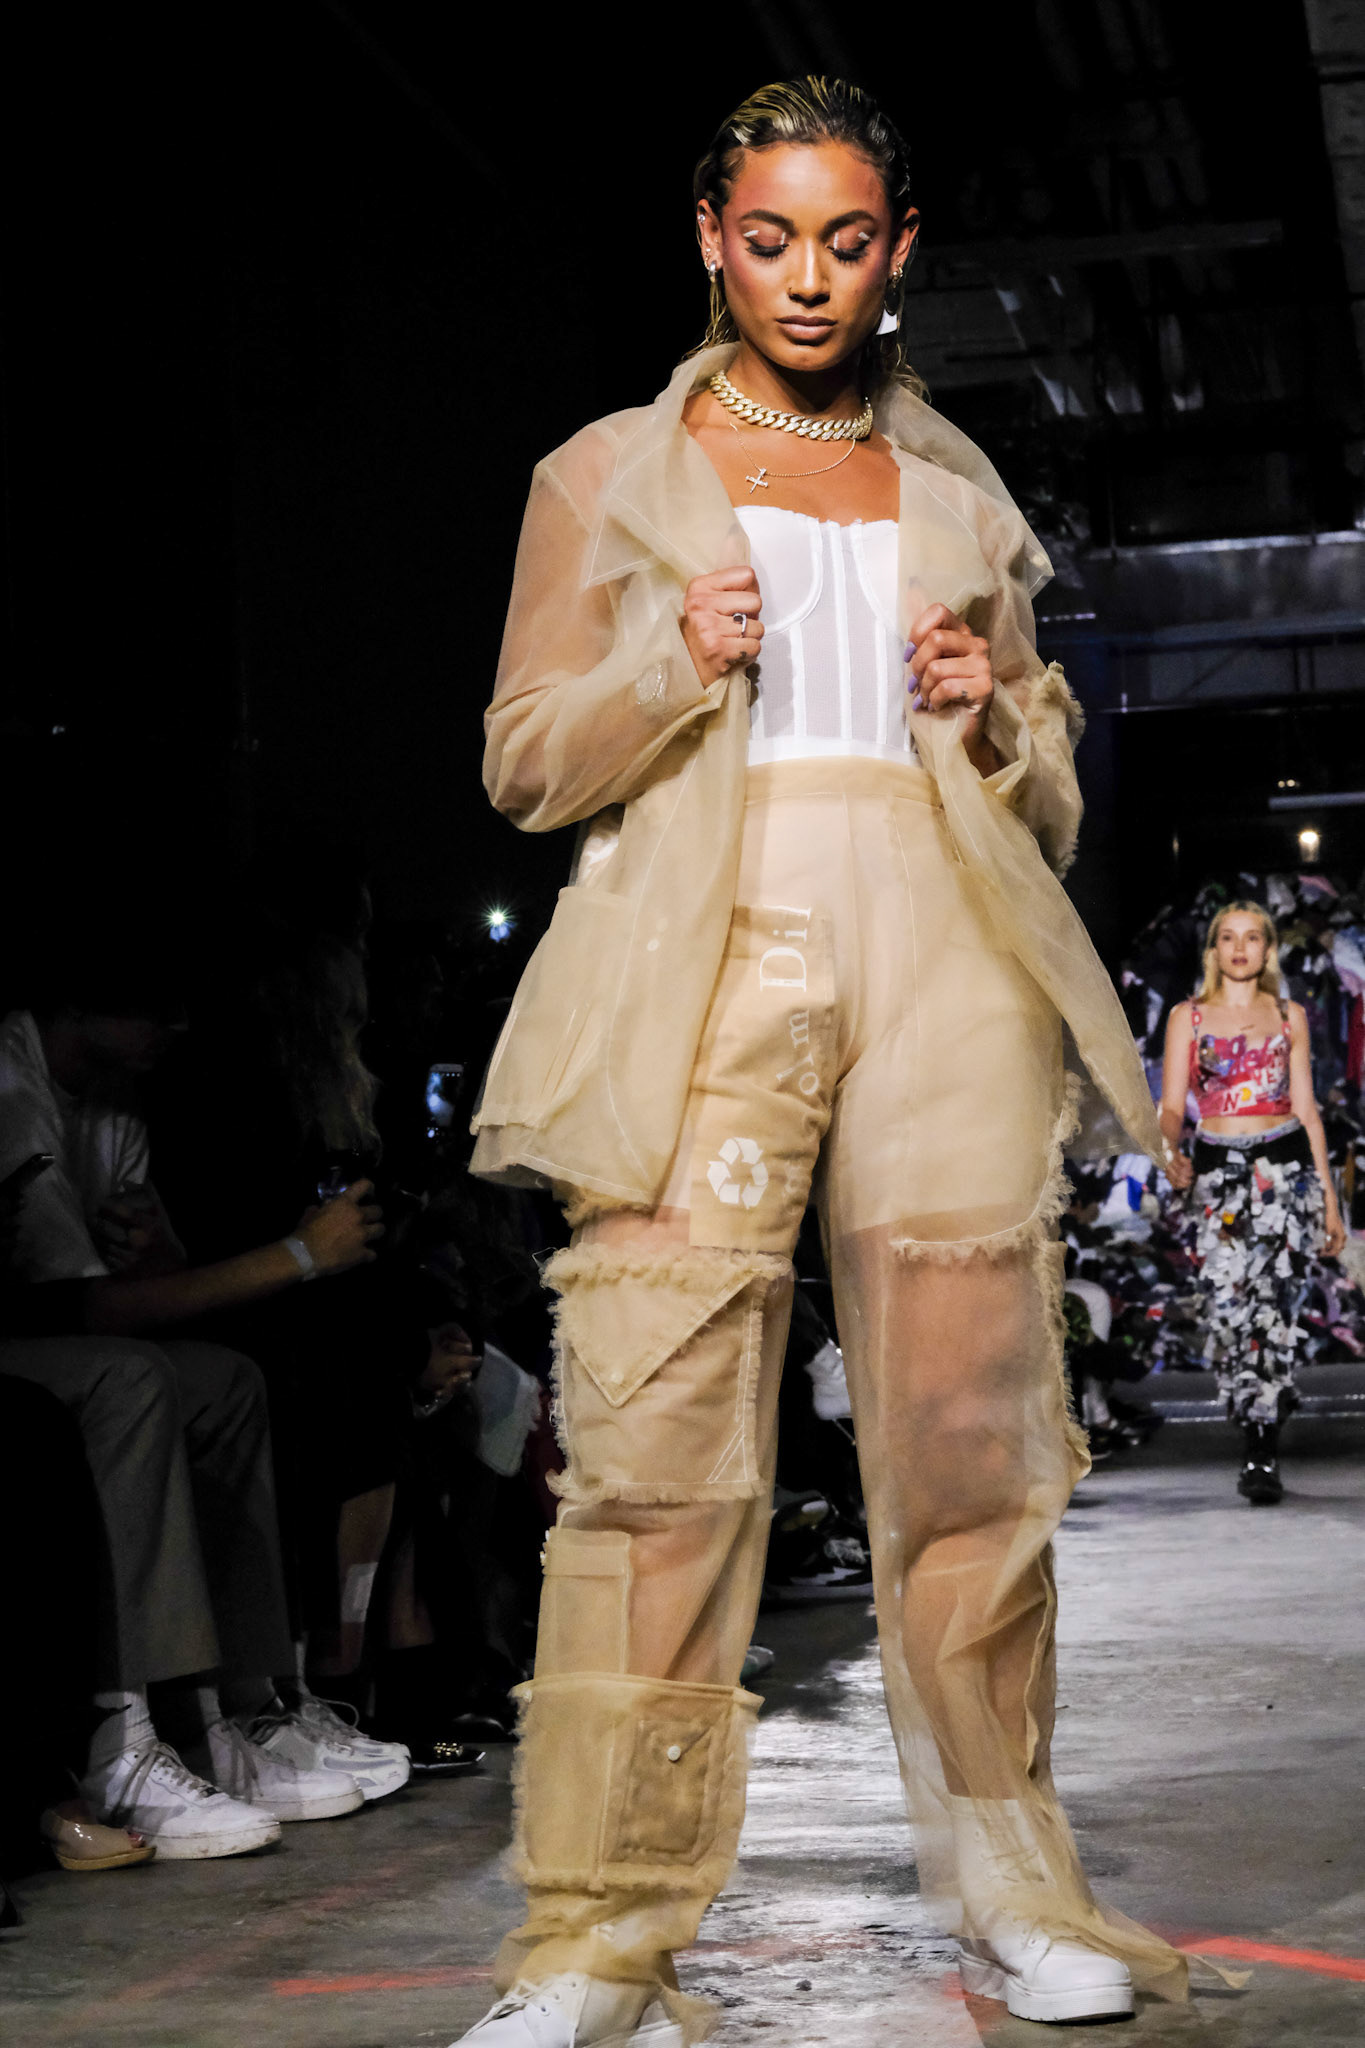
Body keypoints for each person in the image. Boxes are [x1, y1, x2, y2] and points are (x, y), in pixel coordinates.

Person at [453, 77, 1187, 2048]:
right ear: (711, 235)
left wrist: (995, 708)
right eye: (769, 237)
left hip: (938, 960)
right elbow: (522, 757)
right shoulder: (609, 470)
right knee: (654, 1448)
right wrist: (668, 659)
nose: (805, 276)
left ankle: (1011, 1887)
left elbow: (1044, 792)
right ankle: (601, 1939)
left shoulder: (957, 490)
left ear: (898, 251)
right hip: (704, 961)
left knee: (963, 1446)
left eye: (844, 241)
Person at [0, 946, 391, 1857]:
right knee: (134, 1380)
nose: (175, 1029)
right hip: (22, 1339)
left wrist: (158, 1252)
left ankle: (234, 1716)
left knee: (225, 1377)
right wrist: (299, 1256)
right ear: (76, 1004)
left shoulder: (115, 1100)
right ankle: (119, 1745)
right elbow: (80, 1312)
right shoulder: (14, 1087)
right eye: (152, 1007)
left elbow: (136, 1284)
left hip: (62, 1330)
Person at [1159, 899, 1346, 1502]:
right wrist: (1167, 1150)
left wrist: (1331, 1202)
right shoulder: (1187, 1018)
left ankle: (1261, 1447)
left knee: (1272, 1309)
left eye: (1252, 937)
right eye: (1229, 938)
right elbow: (1171, 1106)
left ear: (1268, 950)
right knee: (1229, 1310)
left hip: (1285, 1171)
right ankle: (1259, 1410)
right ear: (1213, 949)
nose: (1240, 948)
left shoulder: (1289, 1016)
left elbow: (1307, 1110)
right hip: (1218, 1175)